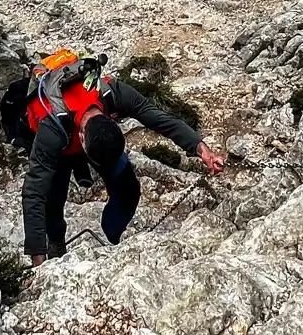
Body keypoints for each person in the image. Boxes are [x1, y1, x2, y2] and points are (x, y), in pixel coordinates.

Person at [19, 58, 225, 265]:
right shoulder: (51, 131)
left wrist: (202, 150)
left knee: (128, 189)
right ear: (81, 139)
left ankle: (113, 235)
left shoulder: (113, 94)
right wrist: (39, 258)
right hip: (60, 147)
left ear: (111, 119)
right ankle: (56, 244)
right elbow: (34, 191)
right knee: (53, 200)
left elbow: (158, 118)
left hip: (93, 139)